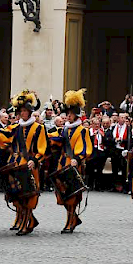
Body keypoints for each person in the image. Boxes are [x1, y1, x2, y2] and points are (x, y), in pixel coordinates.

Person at [0, 90, 48, 236]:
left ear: (30, 112)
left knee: (28, 194)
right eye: (21, 111)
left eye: (25, 111)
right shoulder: (16, 127)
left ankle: (27, 220)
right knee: (16, 193)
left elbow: (42, 148)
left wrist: (35, 160)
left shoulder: (39, 128)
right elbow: (4, 137)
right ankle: (27, 219)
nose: (22, 113)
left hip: (30, 164)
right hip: (16, 163)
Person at [49, 89, 93, 233]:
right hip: (62, 163)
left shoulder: (82, 130)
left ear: (76, 115)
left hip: (74, 165)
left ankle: (70, 222)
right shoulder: (65, 130)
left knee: (72, 195)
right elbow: (56, 139)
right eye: (67, 114)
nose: (67, 116)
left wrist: (77, 158)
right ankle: (73, 218)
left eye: (70, 114)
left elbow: (85, 148)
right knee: (62, 194)